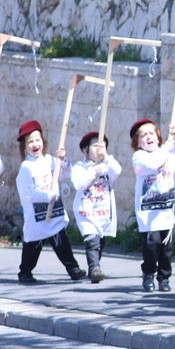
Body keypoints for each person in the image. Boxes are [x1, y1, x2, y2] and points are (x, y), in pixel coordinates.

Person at [14, 120, 85, 284]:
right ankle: (25, 272)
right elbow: (27, 193)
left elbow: (65, 175)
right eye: (30, 141)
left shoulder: (50, 160)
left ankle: (73, 269)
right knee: (33, 245)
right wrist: (47, 196)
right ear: (24, 146)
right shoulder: (26, 168)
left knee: (62, 242)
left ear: (43, 141)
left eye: (37, 140)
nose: (34, 144)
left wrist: (63, 159)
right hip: (37, 215)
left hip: (54, 212)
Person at [130, 118, 175, 292]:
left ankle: (164, 278)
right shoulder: (139, 157)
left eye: (151, 133)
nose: (148, 137)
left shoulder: (168, 153)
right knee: (152, 246)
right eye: (143, 135)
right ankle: (149, 272)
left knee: (167, 248)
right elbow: (152, 164)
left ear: (158, 136)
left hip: (165, 211)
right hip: (148, 213)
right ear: (137, 142)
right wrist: (166, 148)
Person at [71, 131, 123, 283]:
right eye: (95, 146)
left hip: (103, 213)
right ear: (85, 150)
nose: (99, 148)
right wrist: (94, 171)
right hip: (86, 212)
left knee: (100, 243)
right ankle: (95, 268)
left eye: (102, 145)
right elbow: (78, 184)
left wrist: (106, 158)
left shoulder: (107, 165)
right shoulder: (79, 167)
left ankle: (94, 266)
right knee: (92, 240)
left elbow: (117, 171)